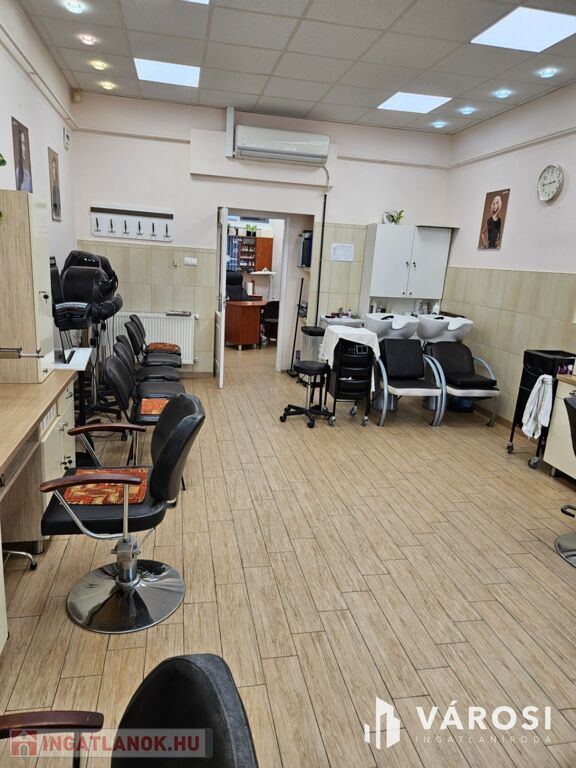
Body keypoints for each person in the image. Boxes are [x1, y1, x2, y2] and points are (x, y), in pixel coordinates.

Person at [15, 128, 32, 193]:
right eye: (22, 144)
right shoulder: (17, 173)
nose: (25, 148)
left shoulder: (27, 173)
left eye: (24, 144)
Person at [50, 154, 61, 219]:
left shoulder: (56, 188)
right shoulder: (53, 187)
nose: (53, 171)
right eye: (52, 168)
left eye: (54, 168)